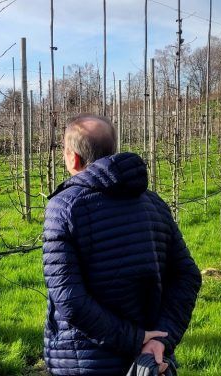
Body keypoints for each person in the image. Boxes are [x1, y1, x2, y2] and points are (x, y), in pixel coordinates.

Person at [42, 114, 202, 375]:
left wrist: (136, 338)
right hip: (146, 359)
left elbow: (68, 299)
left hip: (84, 361)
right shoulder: (154, 203)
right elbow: (187, 276)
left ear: (73, 157)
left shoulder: (64, 207)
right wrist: (160, 338)